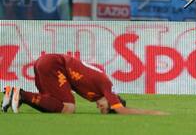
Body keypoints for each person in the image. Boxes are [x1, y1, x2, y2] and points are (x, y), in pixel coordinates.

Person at [1, 53, 166, 115]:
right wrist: (152, 113)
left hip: (48, 63)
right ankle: (20, 94)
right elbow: (121, 110)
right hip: (53, 64)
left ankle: (17, 94)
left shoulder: (95, 96)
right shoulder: (107, 86)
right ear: (113, 100)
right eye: (105, 108)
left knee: (58, 105)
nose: (99, 108)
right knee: (69, 108)